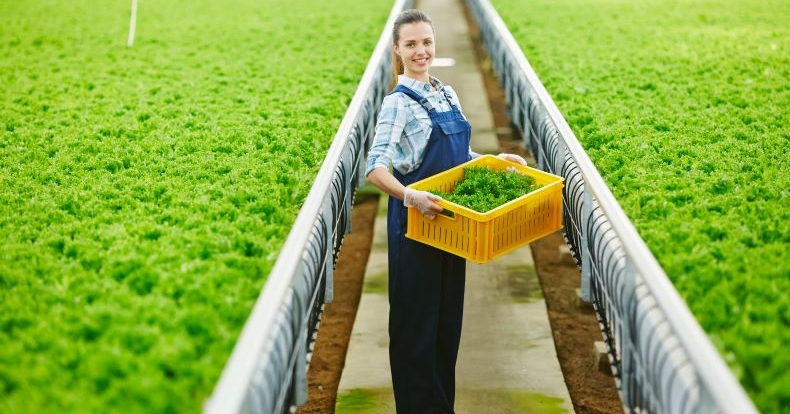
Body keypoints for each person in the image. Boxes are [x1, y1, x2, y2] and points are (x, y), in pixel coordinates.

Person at [364, 9, 526, 414]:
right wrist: (410, 197)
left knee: (444, 327)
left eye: (427, 42)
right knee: (416, 330)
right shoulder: (397, 104)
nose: (422, 51)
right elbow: (374, 167)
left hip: (453, 227)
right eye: (412, 44)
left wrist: (493, 160)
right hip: (417, 228)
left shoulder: (446, 92)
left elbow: (458, 157)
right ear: (398, 51)